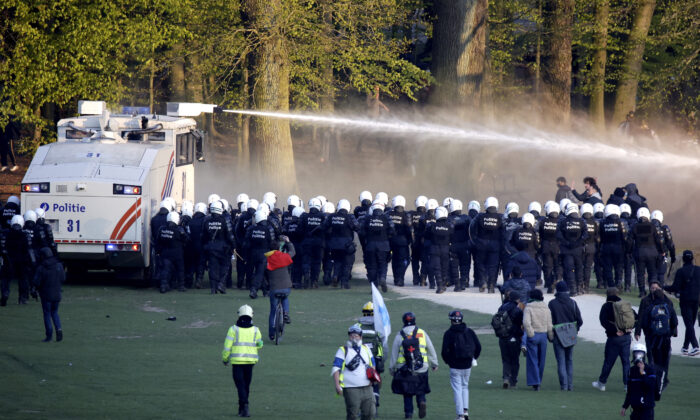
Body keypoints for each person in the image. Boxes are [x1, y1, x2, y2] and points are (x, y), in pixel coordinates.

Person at [390, 312, 439, 419]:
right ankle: (422, 401)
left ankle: (409, 414)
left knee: (407, 392)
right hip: (422, 367)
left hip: (405, 368)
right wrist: (434, 363)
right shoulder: (422, 332)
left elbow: (394, 353)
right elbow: (431, 349)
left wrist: (392, 369)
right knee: (420, 389)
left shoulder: (400, 334)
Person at [222, 304, 263, 418]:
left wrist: (225, 359)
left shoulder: (233, 329)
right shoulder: (256, 330)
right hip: (250, 362)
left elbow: (227, 347)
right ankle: (243, 408)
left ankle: (244, 406)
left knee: (240, 385)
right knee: (246, 385)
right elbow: (259, 344)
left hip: (237, 362)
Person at [637, 282, 677, 389]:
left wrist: (645, 332)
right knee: (664, 359)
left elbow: (644, 322)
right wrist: (670, 333)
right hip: (665, 338)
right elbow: (675, 322)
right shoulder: (669, 306)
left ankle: (653, 378)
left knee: (652, 358)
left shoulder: (650, 307)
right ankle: (663, 379)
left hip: (652, 338)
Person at [441, 310, 481, 420]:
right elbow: (478, 347)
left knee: (457, 389)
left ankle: (460, 415)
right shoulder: (469, 331)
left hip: (455, 366)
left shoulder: (448, 333)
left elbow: (444, 352)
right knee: (465, 387)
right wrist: (473, 358)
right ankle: (465, 411)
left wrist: (448, 362)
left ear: (451, 320)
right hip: (467, 364)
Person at [592, 287, 634, 392]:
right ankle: (627, 385)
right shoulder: (624, 305)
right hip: (626, 337)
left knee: (609, 362)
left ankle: (602, 383)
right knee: (626, 362)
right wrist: (629, 329)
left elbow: (603, 322)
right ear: (617, 294)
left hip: (614, 338)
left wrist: (614, 331)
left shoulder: (606, 306)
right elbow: (635, 318)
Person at [332, 325, 377, 420]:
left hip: (367, 387)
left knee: (370, 412)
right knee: (353, 414)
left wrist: (372, 379)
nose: (354, 337)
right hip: (351, 388)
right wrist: (337, 385)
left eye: (356, 335)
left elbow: (372, 364)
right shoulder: (343, 350)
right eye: (352, 335)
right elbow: (336, 368)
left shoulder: (366, 349)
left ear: (361, 337)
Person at [549, 281, 583, 391]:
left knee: (561, 361)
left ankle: (563, 386)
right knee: (569, 360)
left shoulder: (552, 303)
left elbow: (550, 321)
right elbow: (580, 321)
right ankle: (570, 385)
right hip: (571, 334)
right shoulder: (573, 302)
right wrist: (575, 330)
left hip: (558, 334)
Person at [664, 250, 700, 356]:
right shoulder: (698, 270)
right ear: (692, 258)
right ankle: (685, 347)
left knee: (688, 324)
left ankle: (695, 346)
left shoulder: (681, 271)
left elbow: (675, 287)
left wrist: (665, 287)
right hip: (696, 300)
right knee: (691, 324)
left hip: (685, 300)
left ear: (683, 259)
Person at [355, 302, 385, 411]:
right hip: (375, 360)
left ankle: (362, 407)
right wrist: (380, 358)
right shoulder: (378, 327)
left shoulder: (357, 326)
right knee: (375, 382)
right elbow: (381, 345)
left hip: (360, 360)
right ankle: (375, 402)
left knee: (361, 384)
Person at [469, 197, 503, 293]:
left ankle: (482, 282)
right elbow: (504, 232)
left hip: (481, 243)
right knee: (493, 265)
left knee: (480, 263)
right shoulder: (500, 217)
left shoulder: (480, 216)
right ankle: (491, 286)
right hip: (495, 245)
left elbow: (471, 228)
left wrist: (474, 241)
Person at [323, 199, 359, 289]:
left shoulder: (332, 216)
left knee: (337, 262)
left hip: (334, 244)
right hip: (346, 244)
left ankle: (335, 276)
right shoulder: (349, 217)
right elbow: (356, 227)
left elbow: (324, 226)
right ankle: (344, 283)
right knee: (347, 264)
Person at [360, 201, 395, 292]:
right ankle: (383, 278)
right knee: (383, 264)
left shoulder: (367, 218)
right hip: (384, 245)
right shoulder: (386, 218)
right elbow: (392, 230)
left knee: (372, 266)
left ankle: (374, 287)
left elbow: (362, 232)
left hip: (370, 245)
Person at [202, 201, 235, 295]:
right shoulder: (225, 220)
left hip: (211, 248)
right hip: (223, 248)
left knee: (213, 268)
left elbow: (203, 236)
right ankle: (221, 284)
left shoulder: (206, 221)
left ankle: (213, 288)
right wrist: (233, 246)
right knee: (225, 267)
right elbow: (230, 236)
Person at [32, 247, 65, 342]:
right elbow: (63, 278)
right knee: (55, 313)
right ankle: (59, 329)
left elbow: (36, 281)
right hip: (57, 294)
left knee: (47, 314)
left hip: (46, 295)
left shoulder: (42, 268)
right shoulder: (59, 265)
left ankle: (49, 335)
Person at [523, 289, 553, 391]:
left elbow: (526, 323)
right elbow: (549, 325)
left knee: (533, 360)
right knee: (541, 360)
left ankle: (535, 382)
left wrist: (530, 334)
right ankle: (539, 380)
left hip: (534, 335)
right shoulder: (546, 308)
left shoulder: (529, 307)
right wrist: (551, 336)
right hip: (543, 335)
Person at [265, 235, 294, 340]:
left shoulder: (267, 258)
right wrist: (288, 242)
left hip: (274, 287)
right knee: (285, 297)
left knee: (273, 311)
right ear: (278, 248)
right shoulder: (284, 256)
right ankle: (286, 313)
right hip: (286, 286)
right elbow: (292, 253)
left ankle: (271, 334)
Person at [557, 203, 588, 296]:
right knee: (579, 268)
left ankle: (572, 289)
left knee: (570, 269)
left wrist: (567, 243)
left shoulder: (563, 222)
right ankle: (579, 287)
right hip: (578, 249)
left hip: (566, 250)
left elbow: (558, 235)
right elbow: (585, 235)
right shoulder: (582, 222)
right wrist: (577, 243)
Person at [245, 209, 277, 298]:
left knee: (260, 272)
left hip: (253, 253)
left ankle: (265, 291)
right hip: (265, 254)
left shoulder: (251, 229)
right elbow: (273, 243)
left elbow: (247, 243)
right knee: (260, 273)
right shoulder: (268, 229)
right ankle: (254, 289)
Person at [495, 290, 524, 389]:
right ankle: (513, 382)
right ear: (517, 299)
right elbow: (521, 324)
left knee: (506, 359)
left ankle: (506, 378)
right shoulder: (518, 310)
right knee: (515, 360)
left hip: (503, 337)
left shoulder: (502, 307)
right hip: (514, 337)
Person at [620, 342, 657, 419]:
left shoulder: (650, 369)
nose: (638, 356)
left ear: (644, 355)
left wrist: (642, 373)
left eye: (640, 353)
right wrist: (625, 406)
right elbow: (630, 391)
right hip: (635, 409)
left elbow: (651, 386)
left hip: (647, 409)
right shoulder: (632, 370)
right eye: (636, 353)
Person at [154, 211, 188, 293]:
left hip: (165, 253)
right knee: (180, 270)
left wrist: (158, 251)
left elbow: (158, 241)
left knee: (165, 270)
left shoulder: (162, 229)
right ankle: (181, 286)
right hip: (177, 253)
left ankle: (163, 286)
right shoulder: (179, 230)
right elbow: (186, 240)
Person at [630, 208, 662, 297]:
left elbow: (629, 241)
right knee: (652, 272)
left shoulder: (634, 226)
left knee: (640, 273)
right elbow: (658, 240)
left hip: (639, 253)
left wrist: (629, 252)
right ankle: (653, 291)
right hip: (652, 253)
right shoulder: (652, 226)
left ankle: (642, 292)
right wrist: (661, 251)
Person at [299, 197, 325, 289]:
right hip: (319, 243)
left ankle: (306, 274)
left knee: (306, 261)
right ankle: (314, 281)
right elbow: (325, 229)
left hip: (306, 242)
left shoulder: (304, 216)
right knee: (317, 263)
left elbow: (300, 230)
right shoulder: (322, 216)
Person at [425, 206, 452, 294]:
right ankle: (443, 285)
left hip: (434, 249)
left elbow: (427, 236)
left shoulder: (432, 226)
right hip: (446, 249)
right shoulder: (450, 226)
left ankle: (439, 286)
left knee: (437, 268)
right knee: (444, 268)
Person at [388, 196, 412, 287]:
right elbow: (409, 229)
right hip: (402, 241)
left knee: (395, 259)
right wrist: (410, 241)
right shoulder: (407, 215)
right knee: (405, 260)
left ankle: (396, 278)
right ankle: (400, 278)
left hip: (390, 241)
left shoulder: (388, 213)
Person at [539, 202, 562, 293]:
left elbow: (540, 234)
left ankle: (548, 283)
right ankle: (558, 280)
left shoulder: (543, 221)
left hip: (546, 245)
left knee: (547, 266)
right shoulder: (560, 221)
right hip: (557, 246)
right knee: (557, 265)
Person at [650, 210, 675, 284]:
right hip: (662, 255)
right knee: (661, 273)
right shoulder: (665, 229)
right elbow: (670, 244)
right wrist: (673, 256)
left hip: (650, 254)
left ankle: (652, 290)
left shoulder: (647, 228)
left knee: (652, 273)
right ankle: (660, 290)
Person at [410, 196, 428, 285]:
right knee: (425, 260)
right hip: (423, 241)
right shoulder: (427, 216)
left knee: (414, 260)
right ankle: (423, 278)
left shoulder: (411, 214)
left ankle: (415, 278)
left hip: (414, 240)